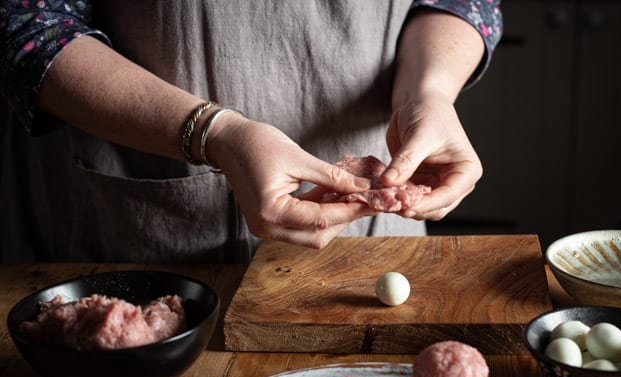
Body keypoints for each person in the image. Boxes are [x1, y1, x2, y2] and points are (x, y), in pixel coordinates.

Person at [0, 1, 502, 264]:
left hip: (372, 232)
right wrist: (213, 133)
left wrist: (428, 91)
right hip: (131, 231)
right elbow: (28, 23)